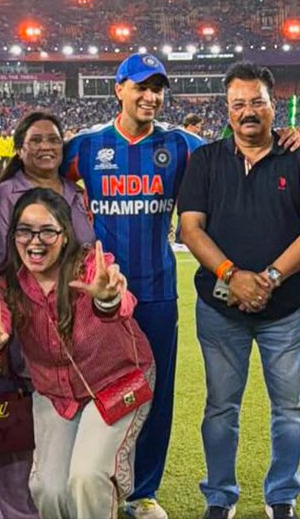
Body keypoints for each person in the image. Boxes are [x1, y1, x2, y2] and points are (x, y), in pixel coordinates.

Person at [177, 62, 300, 519]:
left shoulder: (299, 159)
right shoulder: (205, 161)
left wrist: (268, 279)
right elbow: (190, 228)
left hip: (284, 309)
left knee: (291, 408)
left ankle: (281, 494)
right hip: (220, 309)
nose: (248, 111)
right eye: (239, 103)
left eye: (257, 102)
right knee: (220, 407)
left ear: (272, 105)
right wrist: (231, 275)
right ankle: (219, 497)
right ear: (226, 110)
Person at [60, 53, 201, 519]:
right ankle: (88, 478)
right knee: (92, 387)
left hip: (158, 290)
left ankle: (142, 492)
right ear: (118, 89)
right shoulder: (85, 146)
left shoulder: (180, 145)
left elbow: (235, 152)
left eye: (157, 88)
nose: (150, 96)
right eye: (140, 86)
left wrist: (285, 138)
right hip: (101, 296)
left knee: (154, 394)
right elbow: (38, 180)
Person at [0, 188, 154, 519]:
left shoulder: (89, 267)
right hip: (56, 394)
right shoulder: (6, 284)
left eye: (47, 231)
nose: (34, 241)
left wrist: (108, 298)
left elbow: (121, 303)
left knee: (86, 478)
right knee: (49, 490)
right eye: (24, 230)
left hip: (116, 381)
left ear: (65, 234)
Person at [0, 116, 97, 519]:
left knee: (60, 444)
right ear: (19, 148)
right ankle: (13, 512)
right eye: (35, 139)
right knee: (12, 437)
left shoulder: (75, 195)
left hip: (68, 341)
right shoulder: (4, 197)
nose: (46, 146)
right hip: (17, 337)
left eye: (54, 139)